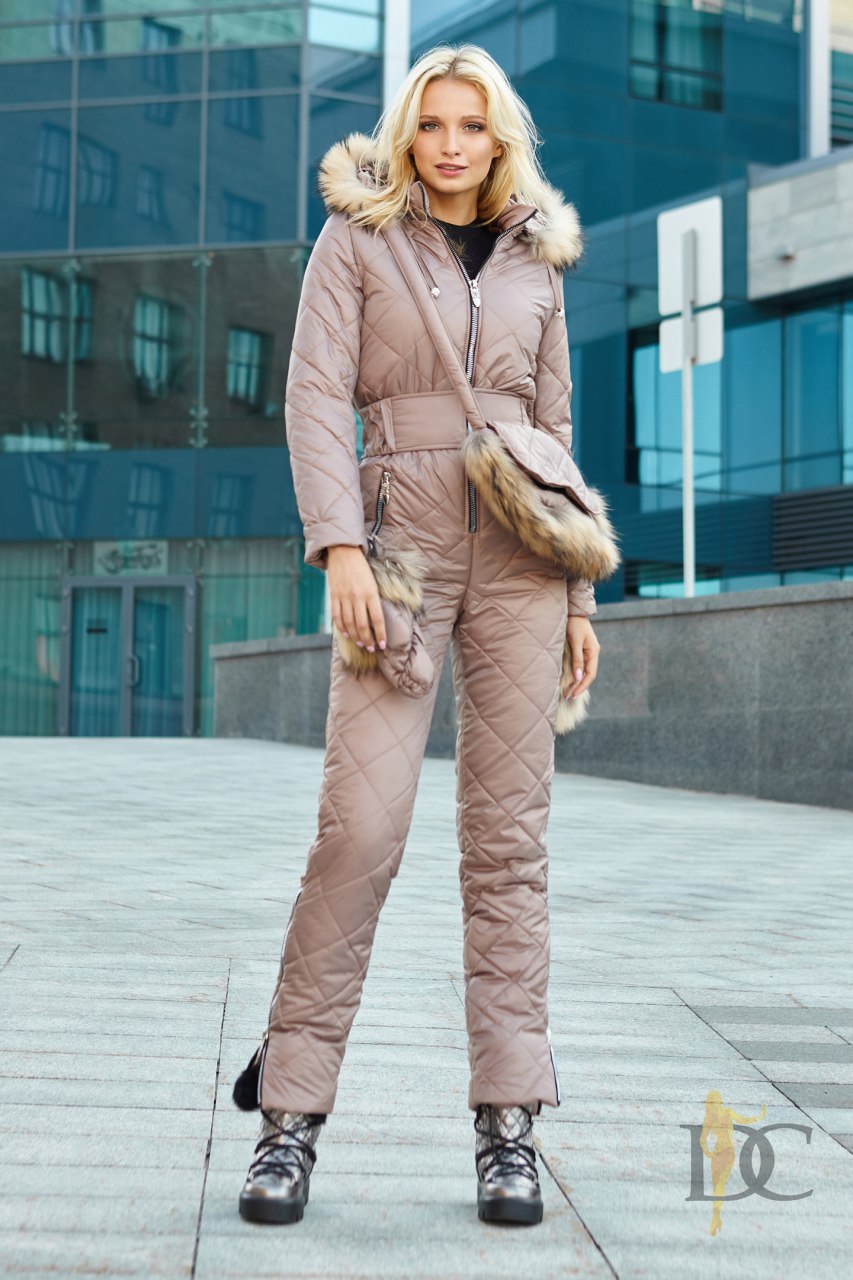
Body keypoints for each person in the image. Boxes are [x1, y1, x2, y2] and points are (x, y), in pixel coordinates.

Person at [238, 41, 605, 1229]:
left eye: (472, 125)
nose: (450, 143)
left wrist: (580, 597)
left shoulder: (537, 258)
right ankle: (288, 1115)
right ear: (409, 131)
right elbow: (310, 394)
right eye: (432, 123)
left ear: (500, 139)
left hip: (519, 567)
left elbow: (553, 427)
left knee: (509, 845)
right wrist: (338, 544)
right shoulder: (355, 240)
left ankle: (510, 1122)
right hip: (396, 553)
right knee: (362, 827)